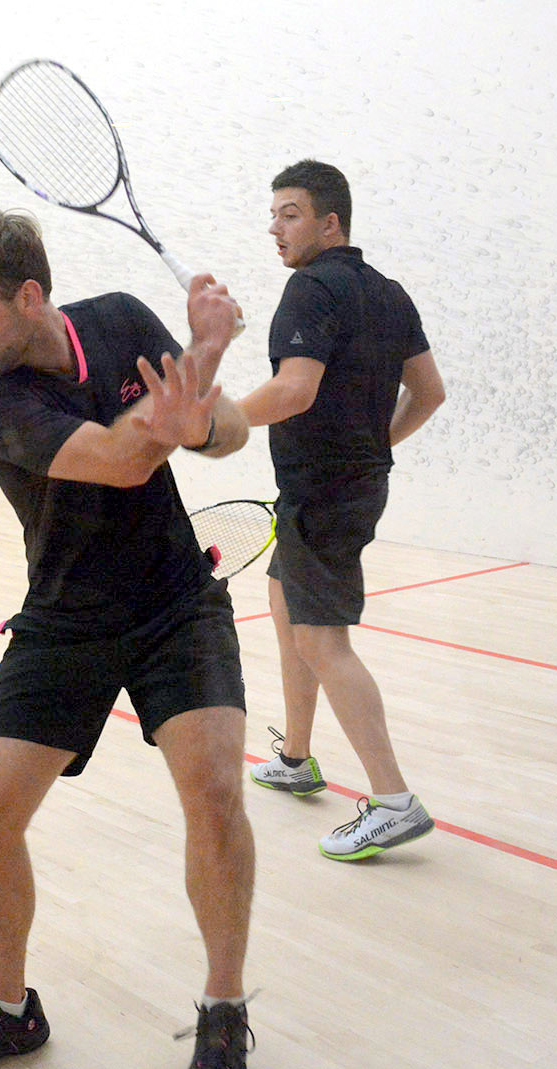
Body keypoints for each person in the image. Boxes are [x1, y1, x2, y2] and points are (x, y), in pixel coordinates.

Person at [0, 206, 256, 1069]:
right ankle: (9, 1010)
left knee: (215, 788)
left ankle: (224, 1010)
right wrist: (202, 355)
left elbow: (227, 432)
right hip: (67, 616)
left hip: (175, 602)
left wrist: (200, 408)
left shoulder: (120, 322)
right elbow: (118, 459)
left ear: (29, 295)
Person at [239, 160, 446, 861]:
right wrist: (372, 445)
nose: (275, 227)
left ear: (331, 223)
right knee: (283, 602)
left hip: (322, 494)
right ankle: (296, 758)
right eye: (273, 214)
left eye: (290, 213)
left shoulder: (309, 288)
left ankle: (393, 802)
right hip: (345, 485)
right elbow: (429, 392)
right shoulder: (388, 292)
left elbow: (293, 390)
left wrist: (213, 420)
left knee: (323, 640)